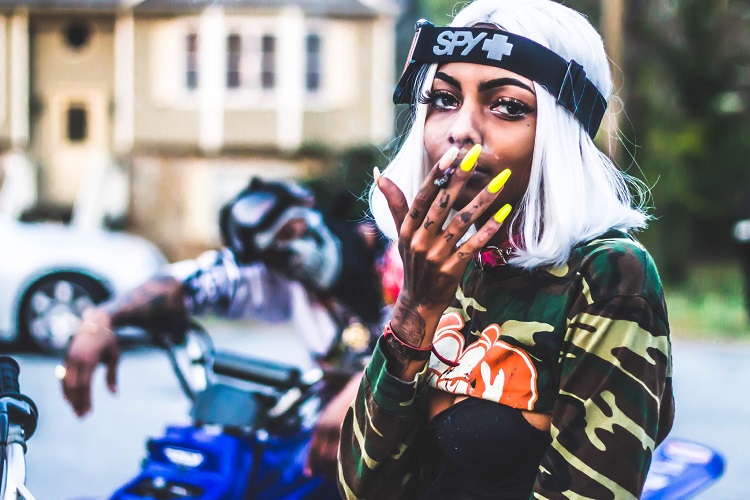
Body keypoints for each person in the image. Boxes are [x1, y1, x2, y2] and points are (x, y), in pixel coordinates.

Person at [337, 1, 674, 498]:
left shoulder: (609, 274)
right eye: (444, 99)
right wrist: (414, 311)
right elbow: (362, 489)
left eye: (508, 106)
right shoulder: (442, 266)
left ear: (561, 132)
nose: (460, 130)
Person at [61, 177, 388, 480]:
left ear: (308, 206)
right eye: (274, 253)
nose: (294, 252)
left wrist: (364, 388)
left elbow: (422, 326)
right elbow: (189, 283)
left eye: (291, 230)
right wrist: (100, 319)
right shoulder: (283, 278)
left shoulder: (396, 249)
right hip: (336, 436)